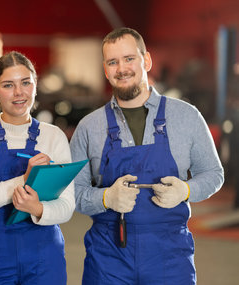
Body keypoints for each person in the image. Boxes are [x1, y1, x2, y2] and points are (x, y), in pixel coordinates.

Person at [70, 27, 224, 284]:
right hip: (108, 258)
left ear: (147, 60)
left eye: (129, 58)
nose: (122, 68)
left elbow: (213, 174)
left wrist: (185, 191)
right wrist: (106, 197)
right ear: (106, 70)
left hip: (170, 256)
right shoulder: (88, 127)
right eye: (113, 62)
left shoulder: (186, 116)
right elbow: (73, 192)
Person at [0, 51, 75, 284]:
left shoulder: (54, 136)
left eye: (26, 83)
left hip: (45, 259)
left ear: (35, 85)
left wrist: (38, 208)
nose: (19, 92)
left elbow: (67, 206)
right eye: (8, 85)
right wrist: (23, 180)